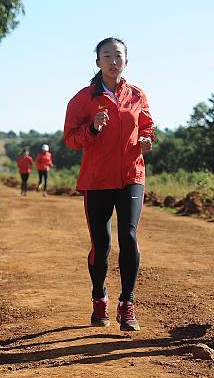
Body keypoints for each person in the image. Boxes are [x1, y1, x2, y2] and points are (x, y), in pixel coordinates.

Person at [64, 37, 154, 331]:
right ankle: (99, 297)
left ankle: (127, 304)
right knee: (101, 244)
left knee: (128, 237)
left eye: (118, 56)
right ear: (98, 62)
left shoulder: (137, 94)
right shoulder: (84, 99)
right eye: (107, 56)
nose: (113, 61)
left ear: (126, 61)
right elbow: (71, 138)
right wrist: (92, 128)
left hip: (131, 176)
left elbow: (147, 125)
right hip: (97, 179)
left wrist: (146, 140)